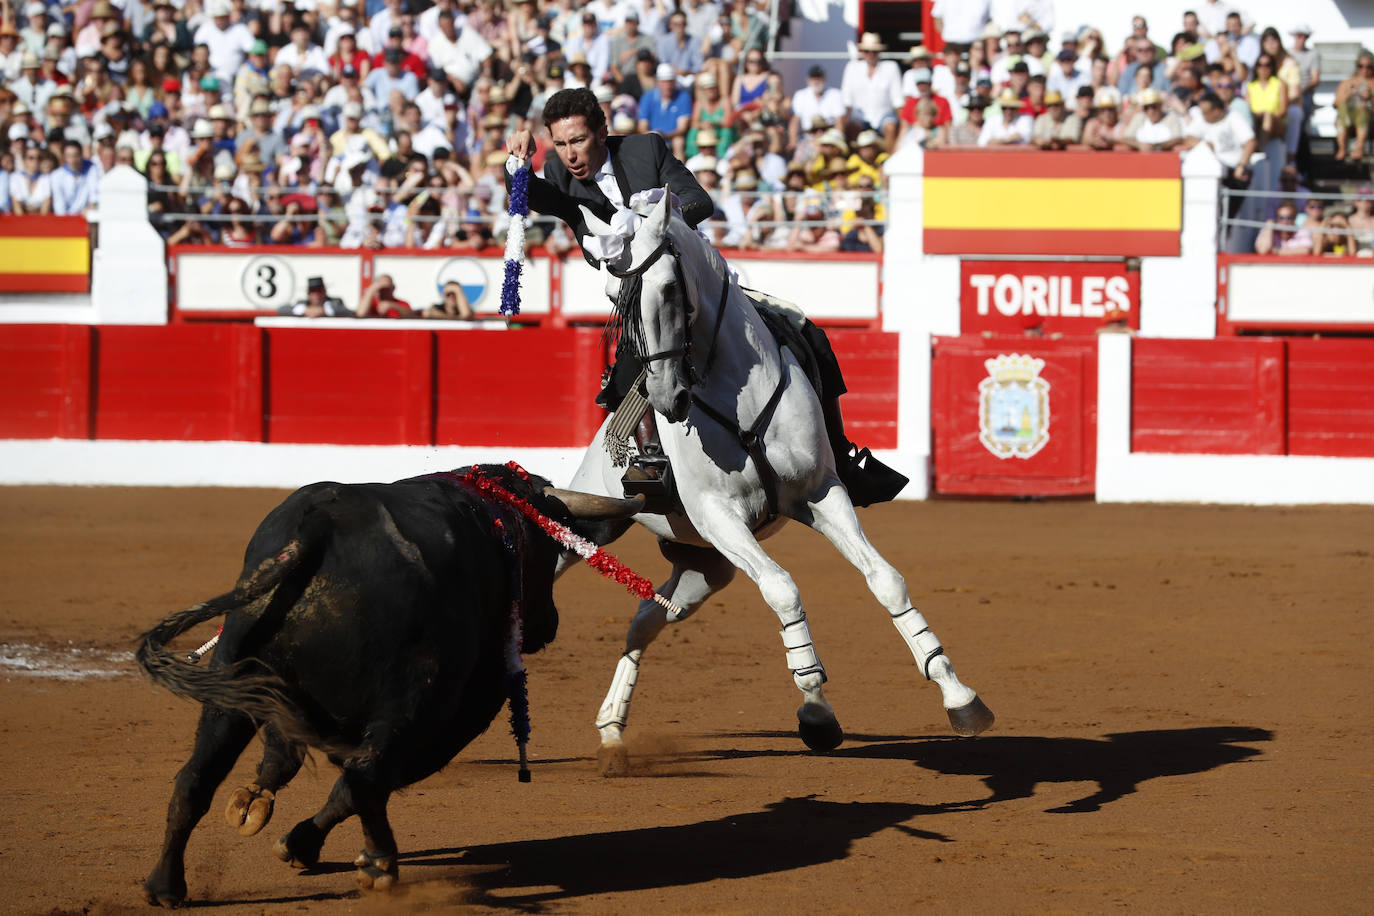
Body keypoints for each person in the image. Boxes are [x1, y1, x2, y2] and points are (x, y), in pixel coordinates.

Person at [506, 87, 903, 505]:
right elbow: (527, 195)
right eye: (561, 143)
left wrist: (652, 221)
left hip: (696, 283)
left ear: (602, 132)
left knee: (805, 330)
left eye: (578, 140)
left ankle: (840, 453)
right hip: (641, 300)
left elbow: (700, 201)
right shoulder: (556, 171)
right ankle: (652, 462)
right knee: (631, 371)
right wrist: (516, 161)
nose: (570, 154)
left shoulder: (644, 149)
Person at [1334, 52, 1374, 163]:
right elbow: (1337, 104)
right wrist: (1349, 94)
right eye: (1361, 66)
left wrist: (1369, 97)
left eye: (1369, 67)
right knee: (1343, 111)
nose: (1364, 70)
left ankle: (1359, 148)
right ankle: (1342, 148)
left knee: (1361, 109)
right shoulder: (1347, 83)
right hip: (1347, 119)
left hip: (1369, 120)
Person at [279, 275, 352, 317]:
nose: (316, 294)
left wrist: (325, 311)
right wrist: (304, 310)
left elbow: (349, 313)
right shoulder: (301, 304)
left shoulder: (335, 303)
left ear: (324, 292)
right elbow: (281, 309)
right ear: (308, 294)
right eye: (313, 291)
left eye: (319, 291)